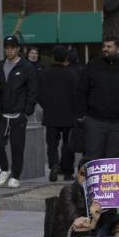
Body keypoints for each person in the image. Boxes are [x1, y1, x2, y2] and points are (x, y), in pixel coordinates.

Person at [77, 36, 119, 159]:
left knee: (113, 159)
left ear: (118, 49)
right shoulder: (92, 66)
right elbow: (81, 90)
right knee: (93, 157)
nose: (105, 49)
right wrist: (84, 115)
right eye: (104, 46)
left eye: (109, 46)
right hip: (95, 121)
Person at [0, 35, 38, 189]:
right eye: (7, 48)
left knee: (17, 147)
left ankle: (16, 175)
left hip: (18, 114)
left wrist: (27, 110)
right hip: (2, 113)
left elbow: (33, 90)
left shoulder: (26, 67)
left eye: (12, 48)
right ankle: (4, 169)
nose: (9, 51)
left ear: (18, 49)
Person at [39, 45, 79, 182]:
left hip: (51, 114)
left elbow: (40, 93)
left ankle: (54, 165)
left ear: (53, 57)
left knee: (52, 144)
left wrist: (46, 106)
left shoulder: (45, 73)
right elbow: (76, 94)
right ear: (66, 58)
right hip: (69, 114)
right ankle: (67, 171)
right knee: (68, 143)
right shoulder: (71, 74)